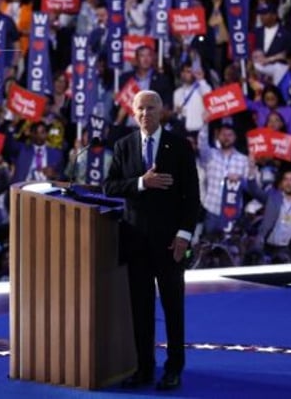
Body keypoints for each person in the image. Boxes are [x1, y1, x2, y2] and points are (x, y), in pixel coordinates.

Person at [103, 90, 200, 391]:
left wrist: (184, 235)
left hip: (171, 243)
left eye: (151, 108)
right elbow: (110, 187)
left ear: (162, 112)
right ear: (133, 112)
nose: (146, 113)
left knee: (173, 308)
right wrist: (142, 183)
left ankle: (174, 368)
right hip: (135, 242)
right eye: (140, 108)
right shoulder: (123, 146)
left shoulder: (180, 146)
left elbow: (192, 197)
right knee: (141, 309)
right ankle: (144, 368)